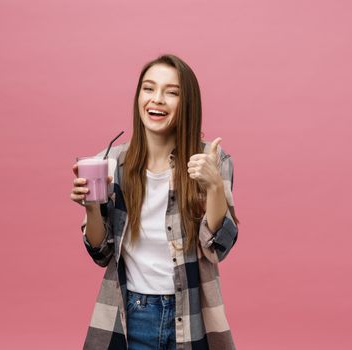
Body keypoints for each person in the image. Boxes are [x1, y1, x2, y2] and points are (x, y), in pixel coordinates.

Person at [70, 54, 239, 350]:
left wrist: (213, 186)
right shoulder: (110, 162)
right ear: (138, 97)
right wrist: (91, 207)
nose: (157, 99)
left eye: (171, 92)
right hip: (129, 314)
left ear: (187, 103)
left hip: (190, 313)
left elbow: (216, 248)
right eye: (148, 89)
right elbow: (100, 252)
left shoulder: (211, 160)